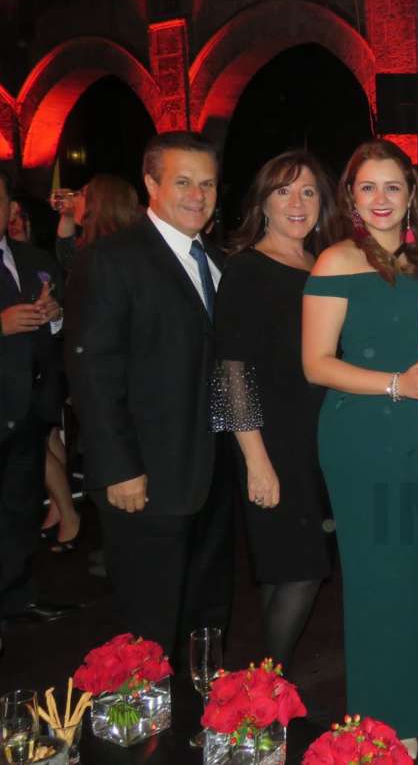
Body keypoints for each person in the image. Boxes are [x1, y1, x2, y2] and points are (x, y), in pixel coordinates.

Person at [302, 139, 418, 759]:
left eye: (394, 187)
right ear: (352, 198)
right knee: (379, 576)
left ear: (412, 195)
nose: (382, 199)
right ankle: (384, 716)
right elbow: (315, 365)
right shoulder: (335, 262)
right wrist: (398, 384)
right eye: (368, 187)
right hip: (363, 435)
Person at [66, 131, 235, 659]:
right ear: (151, 184)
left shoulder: (215, 257)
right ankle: (142, 737)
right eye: (183, 182)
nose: (197, 195)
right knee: (148, 624)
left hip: (211, 472)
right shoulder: (113, 259)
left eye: (206, 183)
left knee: (206, 616)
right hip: (146, 475)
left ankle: (201, 725)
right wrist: (118, 467)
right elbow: (93, 372)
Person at [211, 151, 337, 669]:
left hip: (318, 442)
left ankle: (253, 696)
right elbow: (231, 372)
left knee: (286, 570)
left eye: (308, 191)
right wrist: (256, 461)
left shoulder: (323, 265)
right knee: (303, 571)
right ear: (262, 202)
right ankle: (262, 692)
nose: (297, 202)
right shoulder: (246, 270)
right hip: (271, 443)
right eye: (283, 190)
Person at [41, 174, 140, 551]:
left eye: (83, 195)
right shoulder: (90, 249)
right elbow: (64, 253)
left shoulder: (113, 256)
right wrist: (67, 215)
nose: (74, 199)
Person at [0, 169, 66, 638]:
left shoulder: (33, 257)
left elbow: (61, 332)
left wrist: (55, 317)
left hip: (28, 411)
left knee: (20, 508)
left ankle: (17, 596)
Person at [53, 175, 141, 274]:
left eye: (82, 193)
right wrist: (67, 216)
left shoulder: (108, 256)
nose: (74, 198)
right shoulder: (96, 245)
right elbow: (67, 256)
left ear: (98, 205)